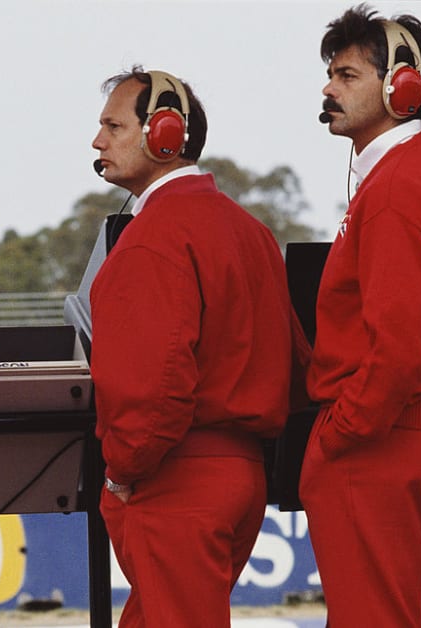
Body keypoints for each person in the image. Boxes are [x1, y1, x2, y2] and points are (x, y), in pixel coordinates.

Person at [89, 66, 303, 627]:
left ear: (163, 133)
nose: (97, 141)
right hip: (242, 475)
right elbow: (295, 360)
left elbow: (153, 388)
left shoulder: (153, 238)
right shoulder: (250, 231)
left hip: (176, 478)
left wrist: (120, 472)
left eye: (113, 126)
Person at [299, 5, 421, 626]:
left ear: (401, 86)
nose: (328, 88)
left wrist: (341, 431)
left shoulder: (395, 188)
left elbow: (396, 347)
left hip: (378, 438)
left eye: (347, 74)